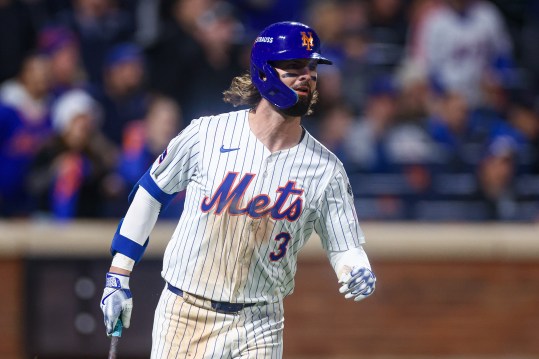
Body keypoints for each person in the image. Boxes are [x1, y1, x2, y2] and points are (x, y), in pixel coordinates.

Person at [100, 21, 376, 358]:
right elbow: (150, 193)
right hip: (187, 313)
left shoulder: (327, 168)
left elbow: (345, 245)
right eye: (293, 67)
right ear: (264, 71)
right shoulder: (207, 134)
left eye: (311, 67)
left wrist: (356, 268)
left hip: (262, 320)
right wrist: (118, 273)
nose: (307, 76)